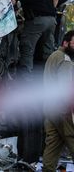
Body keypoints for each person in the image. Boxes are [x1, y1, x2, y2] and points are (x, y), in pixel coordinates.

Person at [10, 0, 59, 78]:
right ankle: (49, 78)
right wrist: (49, 10)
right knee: (48, 50)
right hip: (51, 20)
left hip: (36, 21)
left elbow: (12, 1)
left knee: (27, 48)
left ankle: (25, 81)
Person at [42, 30, 74, 172]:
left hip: (50, 109)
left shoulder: (53, 56)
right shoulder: (65, 59)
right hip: (63, 110)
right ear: (65, 43)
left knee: (53, 145)